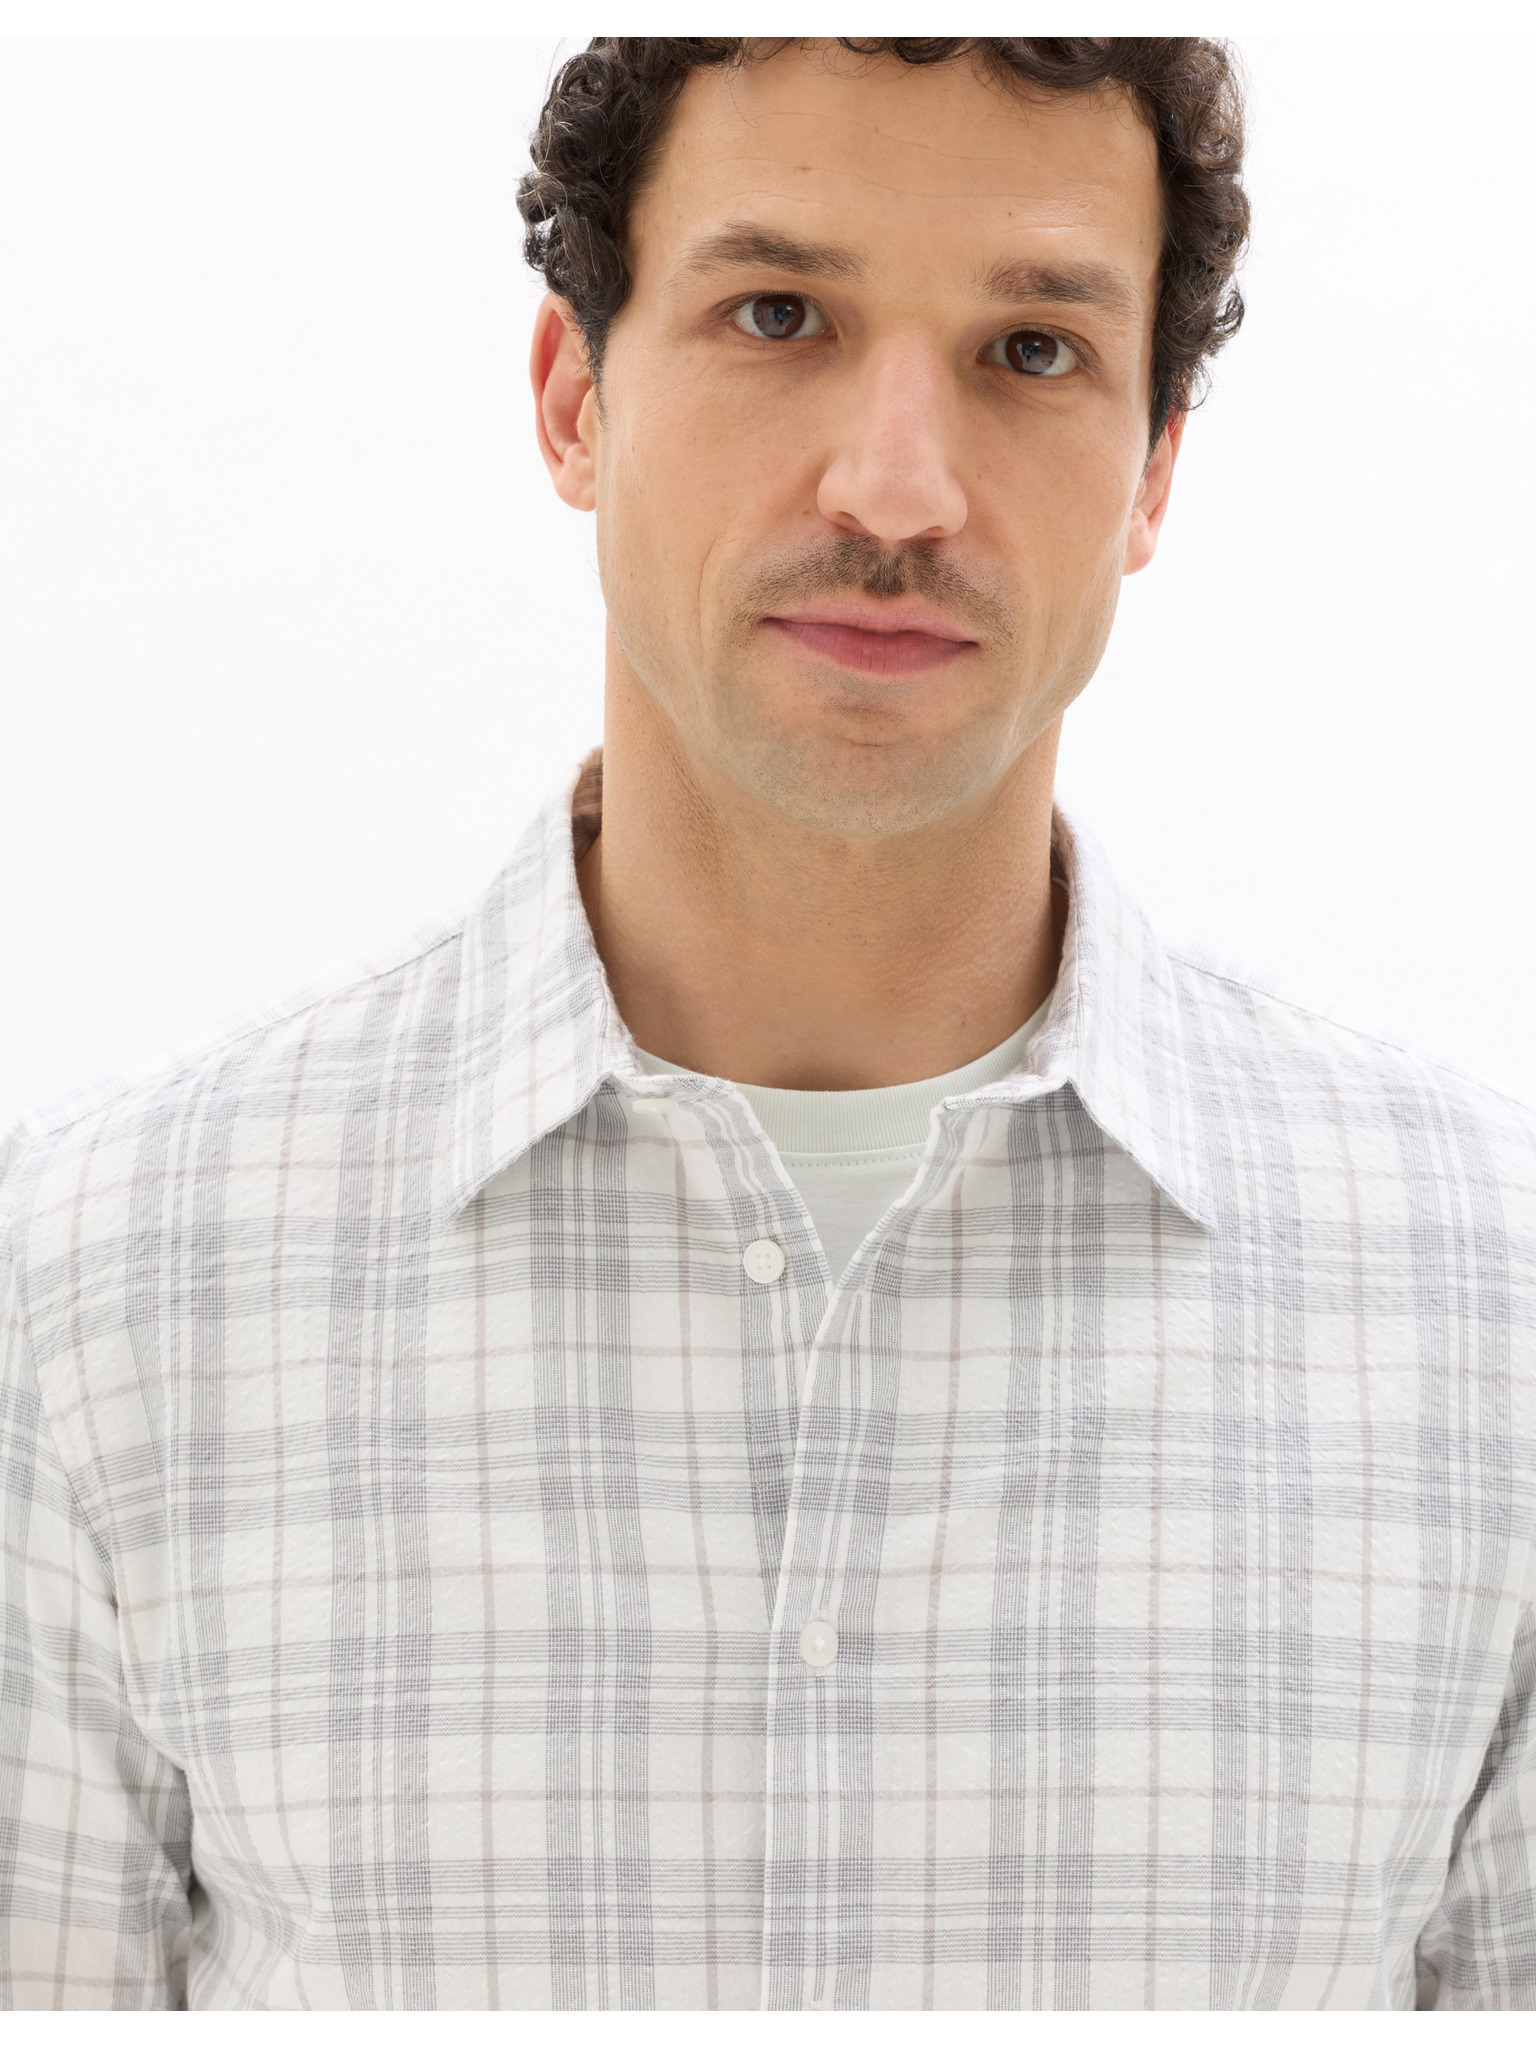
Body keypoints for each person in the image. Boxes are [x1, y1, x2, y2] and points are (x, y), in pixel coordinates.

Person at [1, 35, 1532, 2013]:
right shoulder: (93, 1297)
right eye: (780, 314)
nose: (897, 484)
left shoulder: (1489, 1324)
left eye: (1034, 349)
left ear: (1154, 467)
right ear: (574, 397)